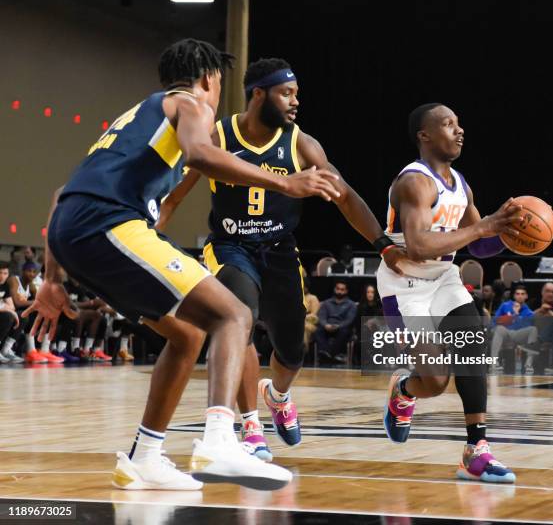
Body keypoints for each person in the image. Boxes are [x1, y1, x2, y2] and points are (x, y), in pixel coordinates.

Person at [23, 39, 342, 492]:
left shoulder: (133, 117)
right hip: (111, 223)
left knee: (188, 332)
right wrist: (285, 184)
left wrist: (52, 280)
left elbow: (60, 197)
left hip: (73, 230)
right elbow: (199, 155)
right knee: (233, 314)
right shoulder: (190, 103)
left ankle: (146, 457)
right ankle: (219, 440)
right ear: (210, 79)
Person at [157, 57, 408, 462]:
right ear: (259, 94)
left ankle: (278, 395)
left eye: (297, 94)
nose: (295, 102)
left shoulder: (301, 144)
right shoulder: (218, 136)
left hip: (278, 250)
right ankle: (251, 426)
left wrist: (381, 242)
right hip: (228, 247)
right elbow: (175, 194)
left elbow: (345, 196)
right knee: (236, 318)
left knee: (291, 350)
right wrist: (148, 233)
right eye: (286, 93)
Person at [377, 103, 522, 483]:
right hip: (404, 285)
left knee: (473, 345)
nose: (458, 130)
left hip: (443, 278)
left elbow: (479, 246)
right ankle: (404, 388)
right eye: (447, 124)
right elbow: (419, 245)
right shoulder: (414, 183)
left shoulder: (461, 184)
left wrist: (511, 234)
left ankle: (477, 450)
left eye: (459, 123)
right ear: (424, 135)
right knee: (437, 381)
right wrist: (484, 227)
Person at [490, 284, 539, 374]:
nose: (520, 296)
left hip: (518, 334)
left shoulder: (529, 312)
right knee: (500, 329)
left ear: (526, 296)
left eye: (522, 294)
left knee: (533, 329)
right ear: (514, 296)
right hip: (505, 332)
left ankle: (529, 364)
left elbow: (523, 327)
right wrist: (512, 316)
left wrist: (516, 314)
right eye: (517, 294)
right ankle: (493, 363)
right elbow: (495, 321)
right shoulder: (505, 305)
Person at [314, 281, 357, 364]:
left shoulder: (351, 305)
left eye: (342, 289)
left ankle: (329, 354)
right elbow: (321, 316)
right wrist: (325, 325)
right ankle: (326, 353)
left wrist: (338, 326)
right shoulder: (326, 303)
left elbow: (349, 320)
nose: (340, 291)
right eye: (338, 289)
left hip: (341, 328)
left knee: (345, 331)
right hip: (327, 327)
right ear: (334, 289)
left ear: (346, 291)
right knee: (317, 330)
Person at [354, 284, 383, 365]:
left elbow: (383, 321)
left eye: (372, 292)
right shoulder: (360, 306)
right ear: (365, 293)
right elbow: (357, 322)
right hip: (362, 332)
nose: (370, 294)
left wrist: (374, 321)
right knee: (362, 337)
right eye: (368, 292)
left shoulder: (380, 305)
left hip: (378, 331)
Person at [0, 262, 22, 364]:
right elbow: (9, 308)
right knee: (8, 316)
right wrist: (8, 309)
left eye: (5, 273)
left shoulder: (5, 286)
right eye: (0, 273)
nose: (2, 276)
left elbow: (12, 306)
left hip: (3, 312)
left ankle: (6, 350)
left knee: (23, 316)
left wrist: (7, 308)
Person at [303, 278, 320, 349]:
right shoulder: (294, 298)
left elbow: (314, 316)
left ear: (306, 287)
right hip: (294, 322)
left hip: (310, 323)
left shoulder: (313, 298)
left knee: (302, 327)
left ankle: (302, 353)